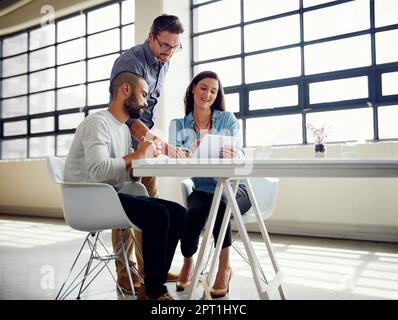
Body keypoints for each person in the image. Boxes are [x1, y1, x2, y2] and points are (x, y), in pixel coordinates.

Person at [65, 71, 187, 300]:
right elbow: (98, 170)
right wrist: (134, 156)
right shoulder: (97, 123)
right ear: (125, 90)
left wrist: (142, 157)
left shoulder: (121, 128)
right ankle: (154, 292)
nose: (146, 101)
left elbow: (120, 176)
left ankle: (152, 284)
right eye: (143, 94)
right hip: (89, 200)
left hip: (112, 194)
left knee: (178, 213)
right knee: (158, 215)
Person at [109, 14, 186, 286]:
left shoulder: (165, 62)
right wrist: (162, 144)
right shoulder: (130, 62)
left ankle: (151, 269)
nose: (168, 53)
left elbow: (149, 110)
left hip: (146, 142)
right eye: (164, 45)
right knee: (127, 208)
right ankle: (125, 274)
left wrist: (155, 143)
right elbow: (129, 116)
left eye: (174, 47)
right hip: (124, 144)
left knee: (151, 205)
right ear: (151, 37)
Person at [168, 71, 252, 298]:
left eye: (213, 91)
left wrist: (236, 153)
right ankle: (188, 263)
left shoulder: (228, 119)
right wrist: (186, 154)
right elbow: (174, 156)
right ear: (193, 89)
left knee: (222, 206)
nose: (208, 94)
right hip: (203, 190)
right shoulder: (178, 125)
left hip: (236, 189)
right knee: (191, 216)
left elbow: (242, 153)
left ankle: (224, 268)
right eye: (203, 88)